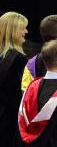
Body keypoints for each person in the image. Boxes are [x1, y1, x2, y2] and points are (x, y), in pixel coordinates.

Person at [0, 12, 28, 147]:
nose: (26, 31)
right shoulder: (18, 60)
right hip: (9, 124)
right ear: (13, 30)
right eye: (23, 28)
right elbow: (20, 97)